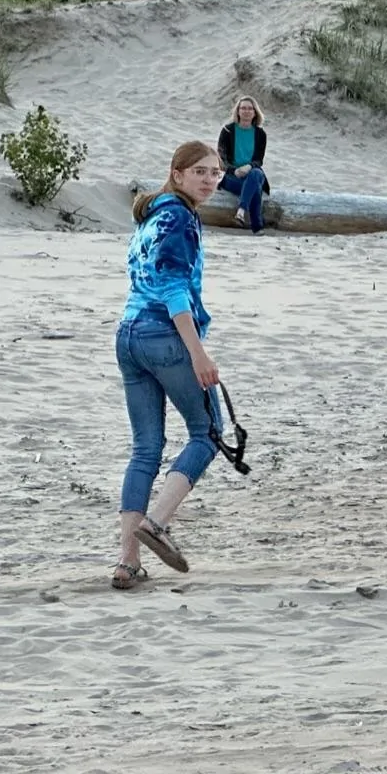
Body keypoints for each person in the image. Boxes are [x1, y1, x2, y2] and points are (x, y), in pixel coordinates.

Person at [113, 141, 225, 590]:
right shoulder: (179, 216)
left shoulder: (151, 215)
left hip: (128, 334)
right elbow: (174, 286)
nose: (210, 180)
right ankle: (157, 522)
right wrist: (197, 351)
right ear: (176, 174)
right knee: (209, 432)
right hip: (164, 334)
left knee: (145, 447)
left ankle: (127, 562)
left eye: (216, 173)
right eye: (200, 172)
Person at [217, 95, 270, 234]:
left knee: (256, 173)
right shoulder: (228, 131)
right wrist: (233, 170)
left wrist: (248, 167)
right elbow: (221, 159)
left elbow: (259, 160)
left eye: (250, 108)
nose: (246, 111)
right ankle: (257, 226)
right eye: (243, 108)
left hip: (251, 173)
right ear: (238, 111)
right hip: (230, 176)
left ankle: (241, 210)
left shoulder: (260, 134)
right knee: (255, 188)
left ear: (255, 112)